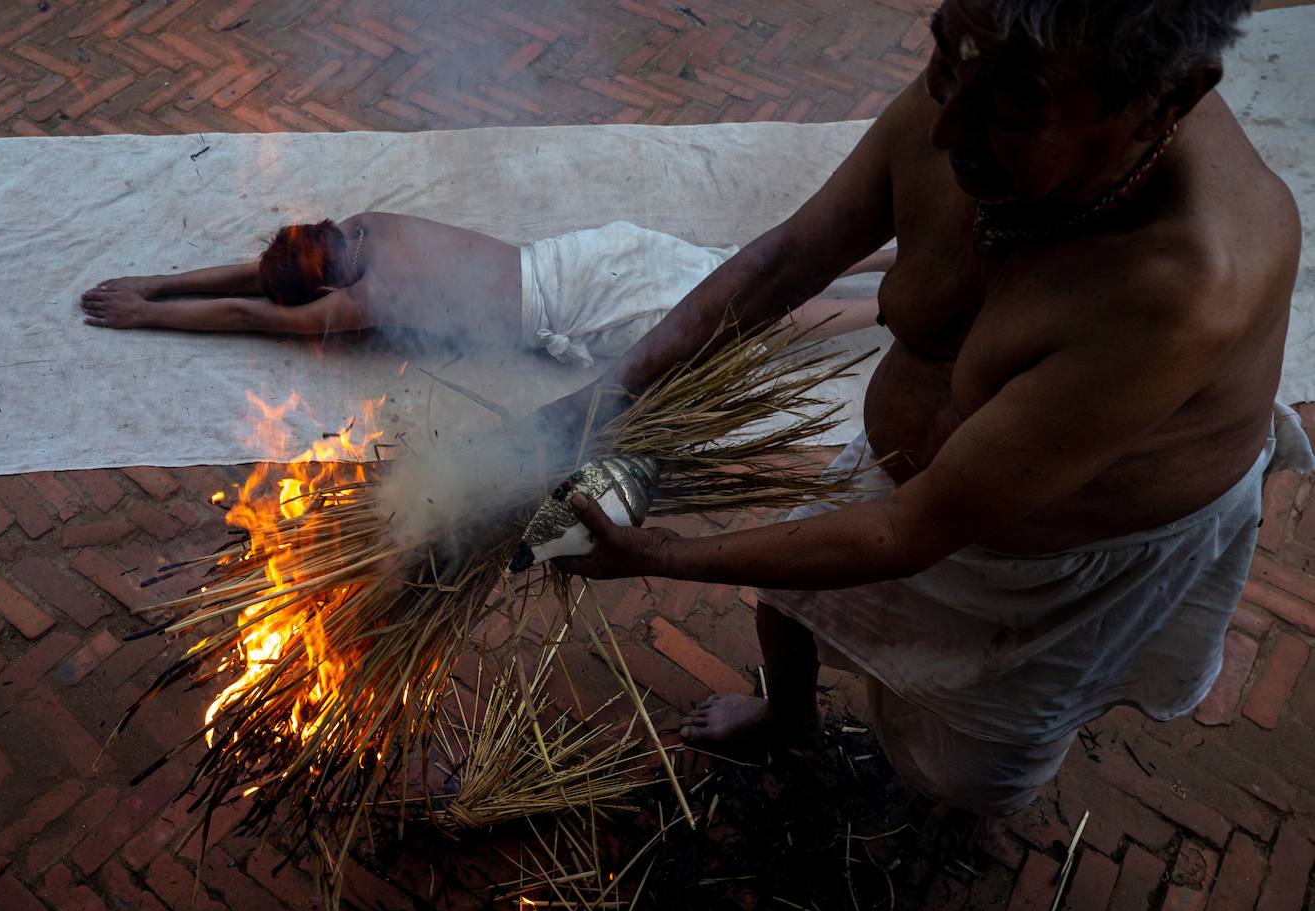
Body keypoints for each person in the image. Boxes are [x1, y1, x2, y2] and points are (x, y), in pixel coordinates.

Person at [543, 0, 1314, 822]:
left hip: (1058, 558)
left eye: (1014, 112)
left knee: (971, 771)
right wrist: (608, 389)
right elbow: (783, 260)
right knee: (784, 601)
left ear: (1165, 101)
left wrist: (657, 553)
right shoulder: (989, 71)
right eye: (944, 58)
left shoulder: (1183, 287)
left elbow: (907, 532)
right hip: (915, 492)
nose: (947, 134)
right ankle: (788, 718)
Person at [79, 216, 892, 365]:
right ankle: (887, 256)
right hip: (590, 254)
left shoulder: (359, 303)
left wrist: (152, 305)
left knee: (743, 319)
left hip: (582, 303)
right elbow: (256, 281)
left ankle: (888, 306)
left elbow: (248, 307)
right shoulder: (370, 225)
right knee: (735, 267)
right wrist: (152, 285)